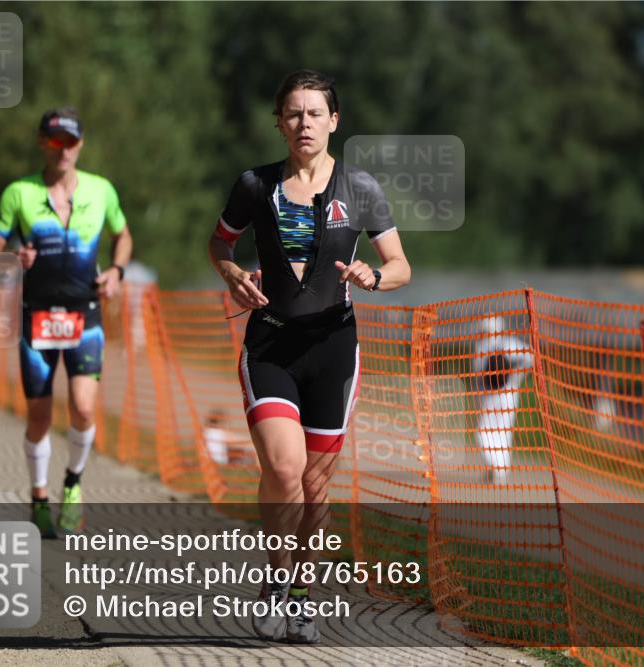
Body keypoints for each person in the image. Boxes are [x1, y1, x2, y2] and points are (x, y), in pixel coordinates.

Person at [208, 70, 411, 643]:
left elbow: (401, 265)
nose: (304, 123)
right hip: (271, 343)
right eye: (293, 113)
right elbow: (220, 242)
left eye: (314, 113)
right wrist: (229, 274)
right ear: (279, 122)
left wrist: (374, 275)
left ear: (334, 121)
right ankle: (275, 582)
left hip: (333, 350)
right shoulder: (255, 185)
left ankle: (300, 593)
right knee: (283, 468)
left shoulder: (360, 188)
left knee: (316, 487)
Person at [0, 107, 133, 538]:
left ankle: (72, 484)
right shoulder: (19, 192)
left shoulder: (102, 190)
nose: (61, 149)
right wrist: (11, 257)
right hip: (37, 316)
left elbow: (123, 234)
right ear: (41, 143)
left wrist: (117, 272)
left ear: (80, 145)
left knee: (83, 407)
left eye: (69, 141)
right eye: (53, 141)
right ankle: (39, 496)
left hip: (85, 313)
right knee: (39, 417)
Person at [472, 315, 533, 485]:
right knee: (488, 431)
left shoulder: (507, 344)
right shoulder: (483, 348)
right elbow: (480, 378)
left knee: (498, 431)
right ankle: (498, 468)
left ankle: (499, 470)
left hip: (506, 394)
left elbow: (530, 357)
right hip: (494, 396)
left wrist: (514, 373)